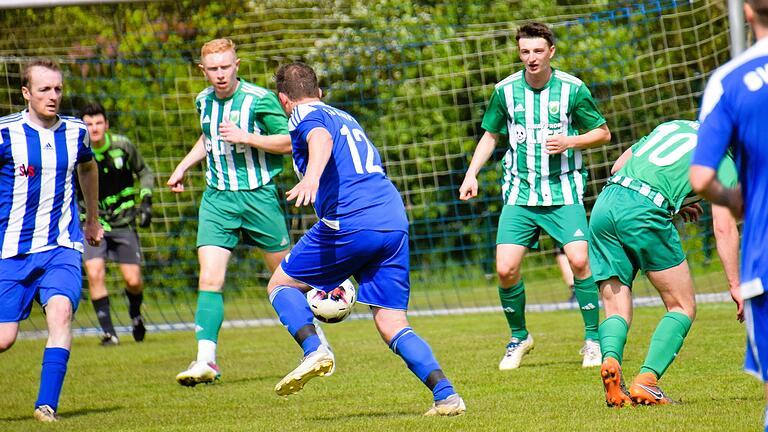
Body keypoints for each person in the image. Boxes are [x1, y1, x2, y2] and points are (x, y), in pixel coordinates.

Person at [268, 62, 465, 416]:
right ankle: (447, 396)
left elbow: (318, 139)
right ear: (320, 91)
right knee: (391, 322)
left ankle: (315, 350)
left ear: (284, 100)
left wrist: (312, 178)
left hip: (351, 220)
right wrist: (247, 139)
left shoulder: (300, 115)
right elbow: (308, 141)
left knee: (281, 284)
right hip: (392, 219)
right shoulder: (343, 116)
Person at [459, 21, 611, 369]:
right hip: (520, 193)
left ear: (551, 52)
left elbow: (603, 134)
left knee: (579, 261)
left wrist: (570, 141)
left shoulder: (572, 89)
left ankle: (592, 339)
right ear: (519, 53)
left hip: (563, 190)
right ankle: (519, 337)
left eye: (538, 51)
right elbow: (491, 136)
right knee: (505, 269)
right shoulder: (505, 90)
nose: (531, 58)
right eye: (525, 51)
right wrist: (472, 174)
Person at [167, 38, 298, 386]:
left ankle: (315, 345)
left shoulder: (259, 100)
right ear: (202, 70)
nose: (220, 75)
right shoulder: (203, 101)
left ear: (237, 65)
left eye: (226, 67)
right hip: (218, 199)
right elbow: (208, 138)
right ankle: (205, 361)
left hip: (259, 197)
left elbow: (288, 141)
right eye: (213, 69)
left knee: (286, 281)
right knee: (209, 278)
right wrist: (183, 166)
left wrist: (247, 137)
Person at [593, 120, 741, 407]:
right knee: (682, 305)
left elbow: (617, 166)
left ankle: (611, 360)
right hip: (644, 212)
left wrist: (676, 196)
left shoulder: (673, 126)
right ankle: (647, 382)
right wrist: (735, 285)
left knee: (615, 308)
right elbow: (723, 227)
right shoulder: (724, 160)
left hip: (606, 203)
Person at [0, 59, 103, 422]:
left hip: (62, 246)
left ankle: (46, 406)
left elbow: (88, 168)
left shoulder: (76, 132)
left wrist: (91, 218)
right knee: (5, 338)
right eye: (44, 89)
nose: (53, 96)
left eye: (58, 89)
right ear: (26, 93)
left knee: (61, 313)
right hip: (10, 251)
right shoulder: (4, 133)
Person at [690, 0, 768, 428]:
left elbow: (701, 178)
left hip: (765, 256)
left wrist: (735, 198)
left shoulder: (729, 81)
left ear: (747, 13)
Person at [80, 101, 153, 346]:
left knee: (133, 280)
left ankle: (135, 315)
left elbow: (145, 172)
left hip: (123, 223)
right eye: (88, 124)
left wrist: (146, 201)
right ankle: (109, 333)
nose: (94, 128)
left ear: (106, 125)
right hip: (92, 224)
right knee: (95, 273)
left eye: (98, 123)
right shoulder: (77, 152)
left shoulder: (123, 146)